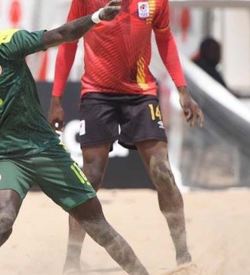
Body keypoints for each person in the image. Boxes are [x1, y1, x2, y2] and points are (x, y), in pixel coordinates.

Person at [0, 5, 149, 275]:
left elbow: (62, 33)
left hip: (45, 148)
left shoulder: (8, 45)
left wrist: (96, 17)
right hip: (3, 156)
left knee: (98, 225)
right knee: (3, 220)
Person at [48, 0, 204, 273]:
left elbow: (165, 40)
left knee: (162, 173)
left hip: (141, 93)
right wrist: (56, 98)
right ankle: (72, 260)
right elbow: (69, 40)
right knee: (90, 176)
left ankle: (183, 257)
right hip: (97, 94)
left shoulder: (157, 2)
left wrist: (182, 90)